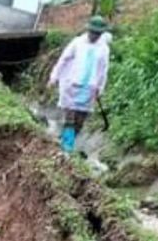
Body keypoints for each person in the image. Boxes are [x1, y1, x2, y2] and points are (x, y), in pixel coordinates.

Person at [48, 16, 111, 155]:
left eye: (98, 33)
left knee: (79, 122)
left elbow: (103, 70)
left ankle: (65, 142)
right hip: (71, 86)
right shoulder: (77, 43)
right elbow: (63, 59)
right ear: (88, 30)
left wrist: (100, 88)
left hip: (89, 89)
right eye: (93, 32)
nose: (95, 35)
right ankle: (66, 149)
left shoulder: (104, 49)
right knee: (69, 119)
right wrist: (54, 77)